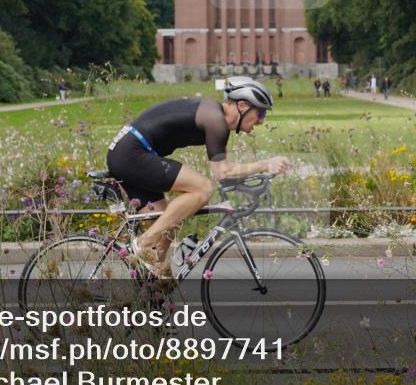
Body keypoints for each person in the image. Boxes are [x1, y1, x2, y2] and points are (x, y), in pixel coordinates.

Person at [107, 77, 288, 279]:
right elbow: (222, 172)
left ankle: (151, 293)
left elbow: (226, 173)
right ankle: (143, 244)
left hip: (128, 153)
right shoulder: (215, 119)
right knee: (203, 188)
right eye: (261, 112)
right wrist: (264, 165)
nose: (262, 120)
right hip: (132, 153)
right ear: (243, 105)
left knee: (169, 225)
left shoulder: (215, 117)